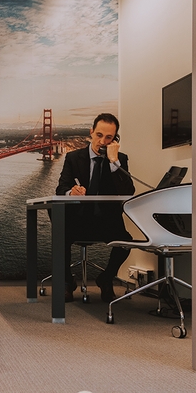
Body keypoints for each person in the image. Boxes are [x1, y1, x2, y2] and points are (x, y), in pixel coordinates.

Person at [55, 113, 135, 302]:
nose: (102, 141)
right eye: (99, 135)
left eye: (109, 137)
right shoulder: (73, 158)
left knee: (125, 242)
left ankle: (105, 279)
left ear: (115, 139)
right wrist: (71, 192)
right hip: (78, 219)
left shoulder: (119, 159)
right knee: (61, 235)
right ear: (91, 132)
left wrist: (114, 162)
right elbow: (61, 188)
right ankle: (67, 282)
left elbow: (128, 191)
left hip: (107, 221)